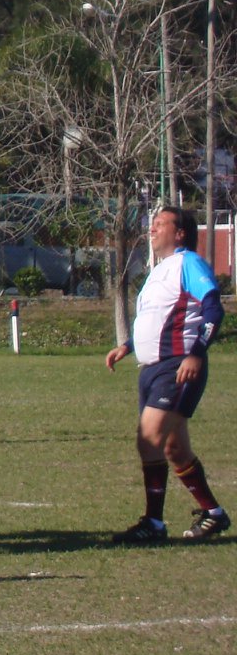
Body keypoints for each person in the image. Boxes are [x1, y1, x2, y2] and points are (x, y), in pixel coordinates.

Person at [106, 205, 229, 543]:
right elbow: (160, 319)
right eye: (153, 223)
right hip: (153, 369)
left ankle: (154, 524)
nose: (153, 228)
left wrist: (197, 353)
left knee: (149, 438)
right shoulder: (161, 270)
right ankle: (214, 514)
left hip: (177, 366)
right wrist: (129, 346)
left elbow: (213, 308)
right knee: (174, 448)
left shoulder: (188, 263)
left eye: (161, 224)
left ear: (180, 233)